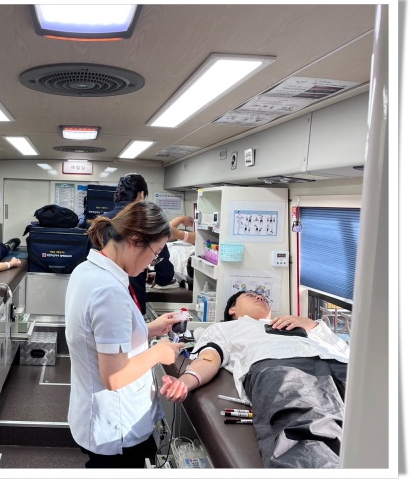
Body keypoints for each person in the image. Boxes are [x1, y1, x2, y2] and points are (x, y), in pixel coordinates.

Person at [65, 200, 190, 468]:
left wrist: (149, 329)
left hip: (98, 415)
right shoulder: (108, 290)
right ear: (135, 241)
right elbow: (114, 377)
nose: (153, 263)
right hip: (115, 427)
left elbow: (97, 336)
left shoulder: (87, 271)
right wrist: (159, 352)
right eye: (155, 253)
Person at [179, 290, 350, 468]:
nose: (259, 297)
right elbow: (208, 359)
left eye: (262, 296)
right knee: (310, 428)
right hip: (280, 366)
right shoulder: (225, 328)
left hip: (339, 364)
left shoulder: (299, 323)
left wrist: (312, 325)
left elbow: (346, 351)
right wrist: (184, 382)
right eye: (250, 295)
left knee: (368, 420)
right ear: (232, 309)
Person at [97, 174, 196, 312]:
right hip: (132, 303)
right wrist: (157, 276)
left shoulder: (100, 223)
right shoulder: (144, 224)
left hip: (99, 300)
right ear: (142, 195)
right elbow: (165, 275)